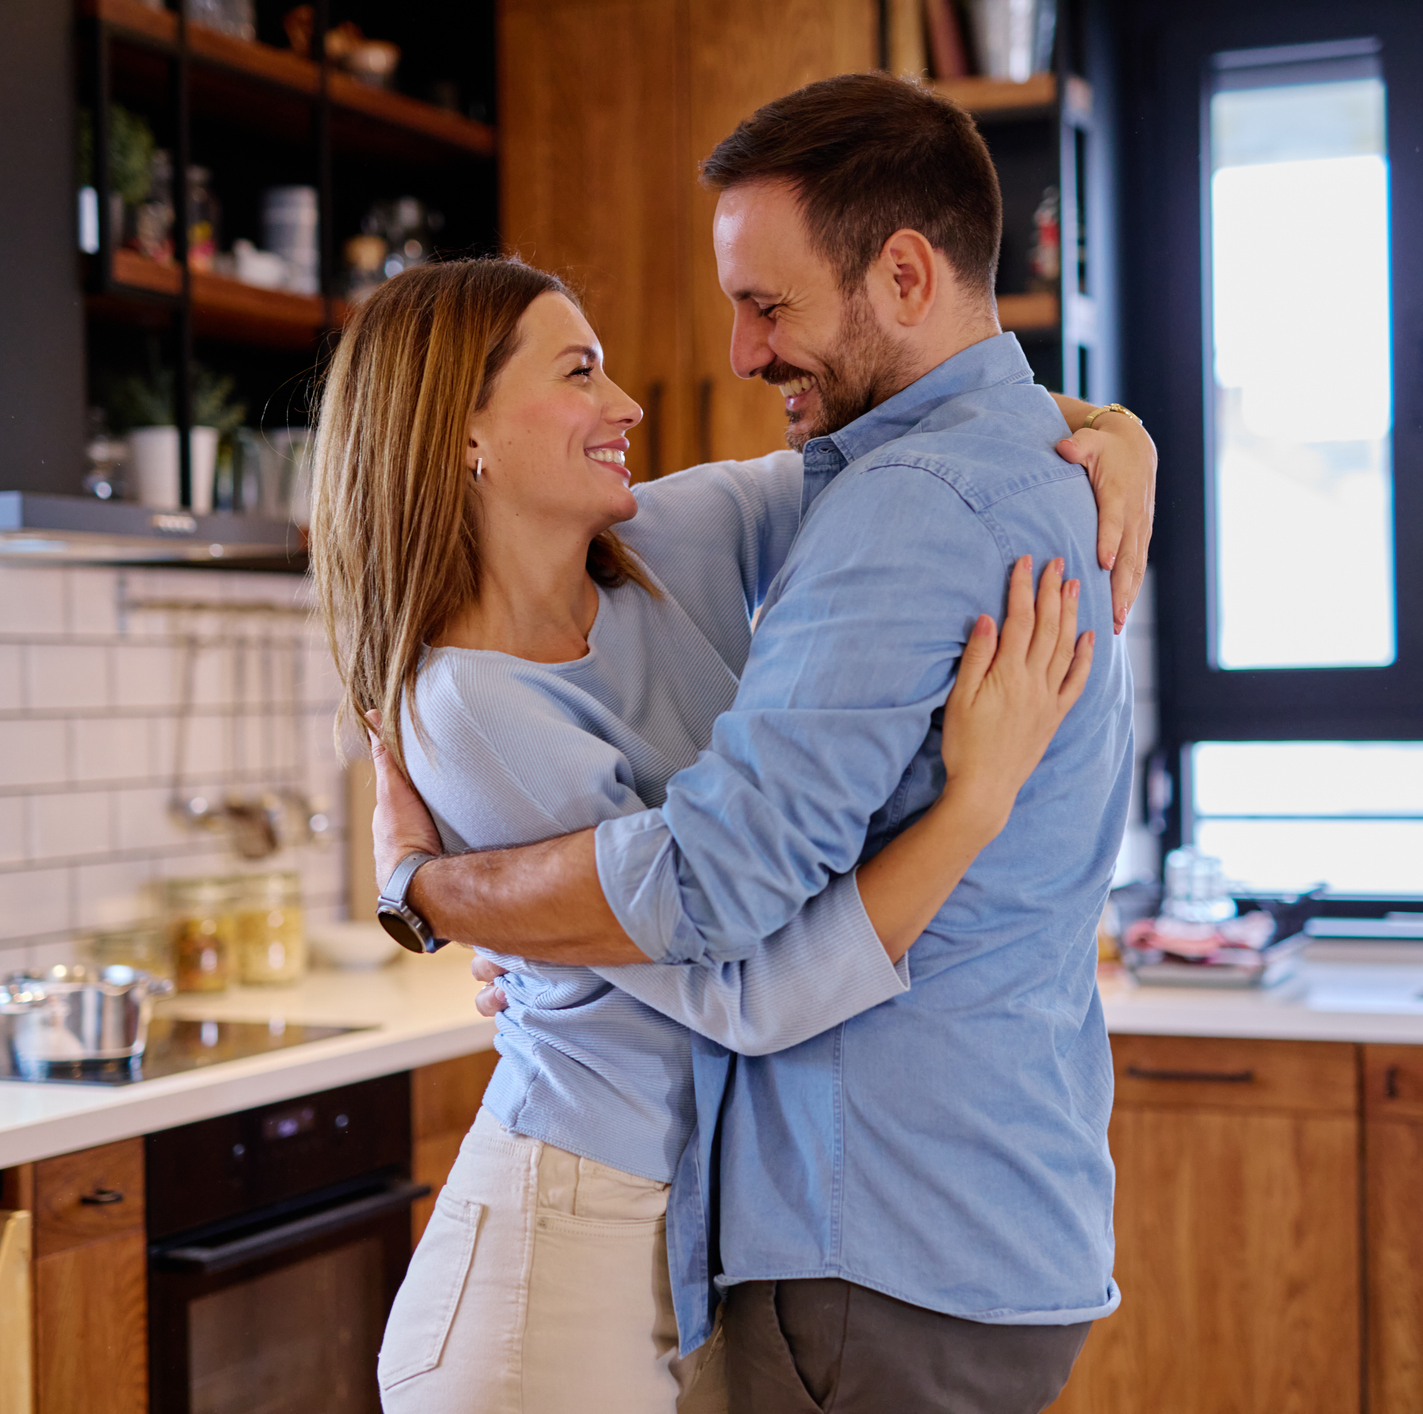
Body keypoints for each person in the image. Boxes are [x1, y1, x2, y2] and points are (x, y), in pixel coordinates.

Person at [363, 72, 1142, 1414]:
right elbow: (734, 965)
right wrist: (433, 891)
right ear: (465, 437)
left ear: (904, 274)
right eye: (581, 368)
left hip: (861, 1237)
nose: (725, 359)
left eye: (766, 304)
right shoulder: (466, 696)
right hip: (593, 1240)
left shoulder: (687, 545)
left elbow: (711, 897)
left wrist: (1110, 425)